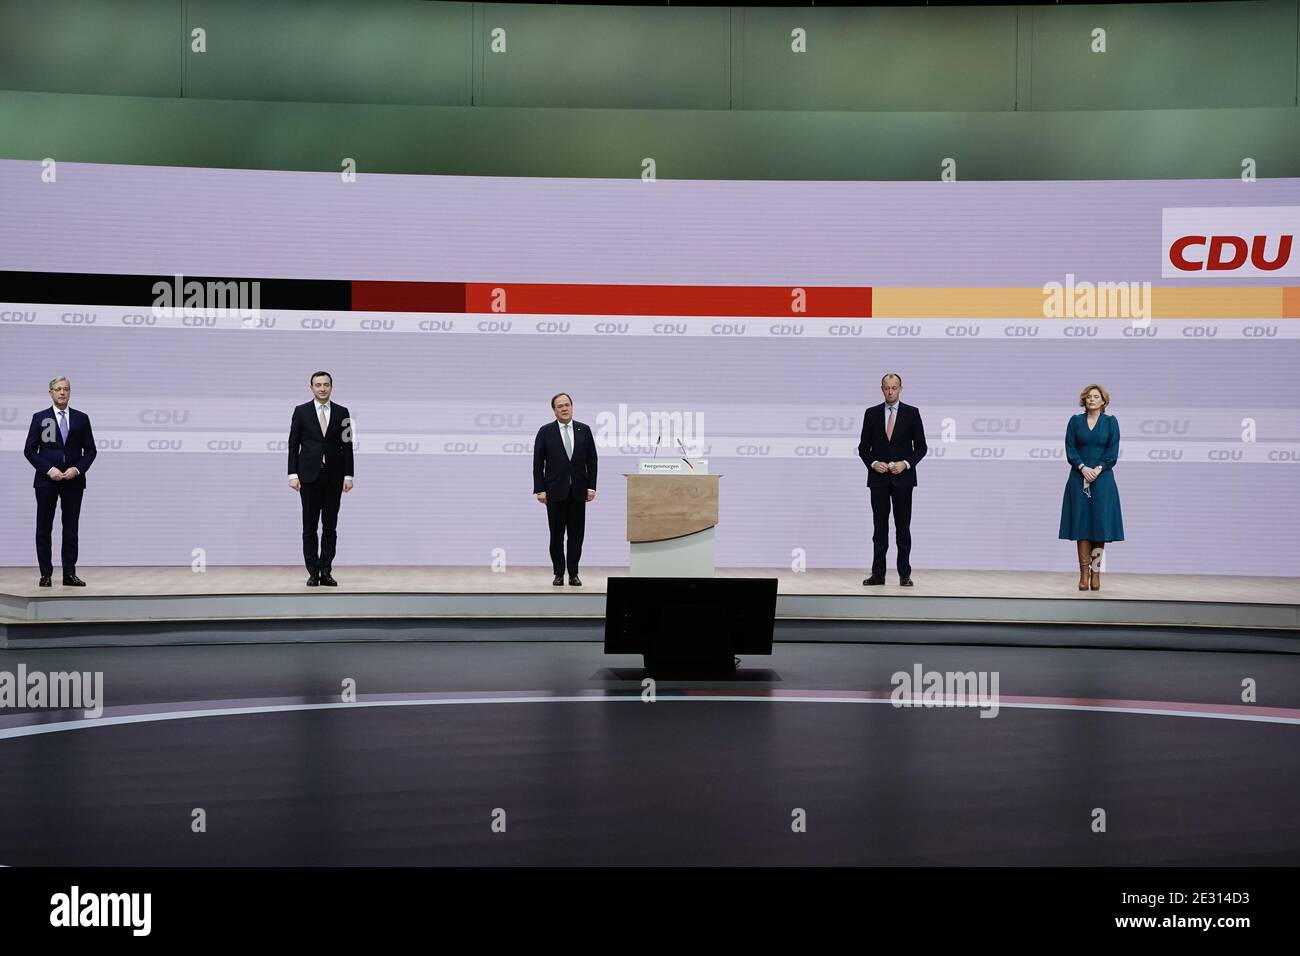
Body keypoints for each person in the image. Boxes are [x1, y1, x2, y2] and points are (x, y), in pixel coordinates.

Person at [23, 376, 97, 587]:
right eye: (58, 389)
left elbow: (90, 450)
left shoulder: (81, 418)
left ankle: (69, 574)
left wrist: (77, 469)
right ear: (50, 393)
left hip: (73, 481)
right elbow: (29, 450)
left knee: (71, 528)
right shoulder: (40, 418)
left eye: (66, 389)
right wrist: (49, 469)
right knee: (44, 527)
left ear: (70, 392)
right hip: (47, 481)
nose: (62, 393)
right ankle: (45, 574)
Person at [858, 372, 927, 587]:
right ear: (881, 388)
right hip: (878, 480)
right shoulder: (871, 413)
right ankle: (878, 574)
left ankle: (904, 574)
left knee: (902, 528)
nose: (890, 391)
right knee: (879, 528)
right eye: (887, 387)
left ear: (900, 388)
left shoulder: (912, 413)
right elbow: (863, 448)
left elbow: (921, 447)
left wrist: (905, 463)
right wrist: (873, 463)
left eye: (894, 387)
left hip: (903, 480)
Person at [287, 371, 354, 587]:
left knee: (330, 527)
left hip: (334, 477)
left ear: (331, 387)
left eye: (326, 384)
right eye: (318, 385)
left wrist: (349, 474)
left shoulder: (343, 412)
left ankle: (326, 570)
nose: (322, 388)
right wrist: (292, 474)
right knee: (309, 527)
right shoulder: (301, 411)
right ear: (311, 387)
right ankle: (312, 571)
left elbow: (348, 446)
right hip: (308, 476)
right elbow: (293, 444)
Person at [1059, 384, 1123, 591]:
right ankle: (1083, 575)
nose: (1091, 399)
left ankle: (1096, 575)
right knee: (1082, 526)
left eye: (1095, 397)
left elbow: (1112, 453)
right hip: (1078, 478)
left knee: (1099, 527)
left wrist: (1097, 469)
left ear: (1103, 401)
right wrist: (1083, 467)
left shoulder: (1111, 423)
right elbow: (1070, 448)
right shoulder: (1075, 422)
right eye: (1088, 397)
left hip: (1102, 480)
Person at [533, 392, 597, 586]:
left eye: (567, 404)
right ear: (554, 410)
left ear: (572, 406)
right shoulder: (545, 431)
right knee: (557, 535)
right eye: (559, 406)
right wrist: (540, 489)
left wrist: (591, 486)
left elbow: (592, 460)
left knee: (576, 536)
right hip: (554, 492)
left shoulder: (583, 430)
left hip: (578, 492)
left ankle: (574, 573)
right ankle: (559, 573)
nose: (564, 408)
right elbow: (538, 463)